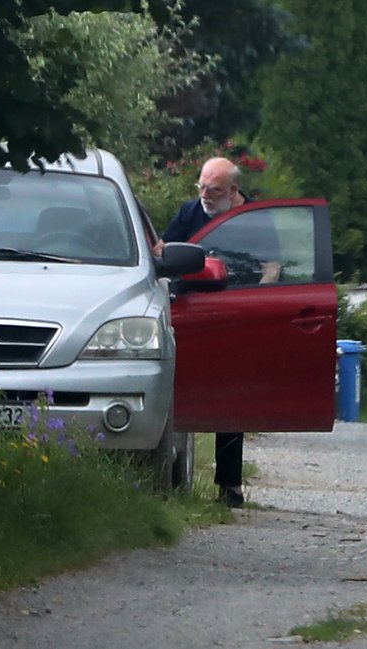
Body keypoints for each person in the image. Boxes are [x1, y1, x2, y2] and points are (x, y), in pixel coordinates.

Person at [154, 157, 278, 508]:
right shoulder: (190, 212)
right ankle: (168, 476)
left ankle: (230, 484)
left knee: (229, 397)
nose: (205, 195)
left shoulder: (255, 218)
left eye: (214, 189)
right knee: (176, 389)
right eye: (202, 186)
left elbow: (273, 266)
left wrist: (255, 302)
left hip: (235, 312)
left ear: (234, 191)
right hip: (191, 309)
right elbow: (162, 251)